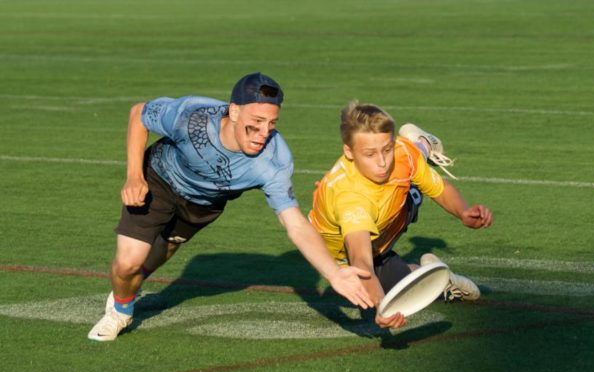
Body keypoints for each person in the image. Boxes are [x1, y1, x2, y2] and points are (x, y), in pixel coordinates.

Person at [88, 73, 374, 341]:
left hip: (204, 204)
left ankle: (130, 285)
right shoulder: (191, 116)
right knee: (128, 264)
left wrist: (334, 274)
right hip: (157, 181)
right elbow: (139, 113)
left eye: (272, 124)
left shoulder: (273, 162)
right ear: (234, 111)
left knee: (163, 251)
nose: (264, 133)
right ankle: (121, 311)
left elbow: (295, 223)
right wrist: (134, 176)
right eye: (257, 122)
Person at [308, 101, 493, 329]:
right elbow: (361, 260)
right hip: (349, 255)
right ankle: (440, 279)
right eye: (370, 154)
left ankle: (421, 145)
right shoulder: (349, 198)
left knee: (413, 178)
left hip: (389, 220)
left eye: (386, 149)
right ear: (349, 152)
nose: (382, 161)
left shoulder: (400, 153)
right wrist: (381, 306)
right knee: (395, 296)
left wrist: (463, 212)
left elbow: (440, 188)